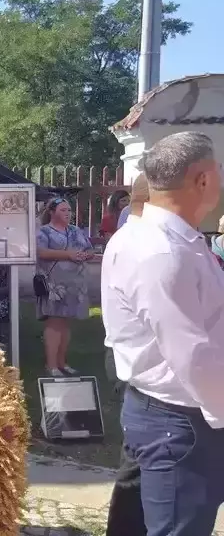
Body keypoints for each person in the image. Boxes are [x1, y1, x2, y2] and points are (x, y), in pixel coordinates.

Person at [103, 132, 224, 536]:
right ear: (203, 180)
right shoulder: (162, 251)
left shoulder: (164, 238)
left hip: (161, 411)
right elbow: (192, 355)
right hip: (183, 420)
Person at [102, 173, 149, 536]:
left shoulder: (133, 238)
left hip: (131, 356)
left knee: (135, 461)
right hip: (136, 360)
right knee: (136, 462)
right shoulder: (140, 242)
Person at [36, 197, 94, 377]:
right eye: (63, 210)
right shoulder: (44, 232)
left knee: (66, 324)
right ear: (52, 212)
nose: (68, 213)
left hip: (74, 283)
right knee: (54, 323)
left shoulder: (75, 230)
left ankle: (62, 362)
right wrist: (68, 254)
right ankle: (51, 364)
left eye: (69, 210)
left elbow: (89, 249)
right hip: (53, 284)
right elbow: (41, 252)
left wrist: (85, 256)